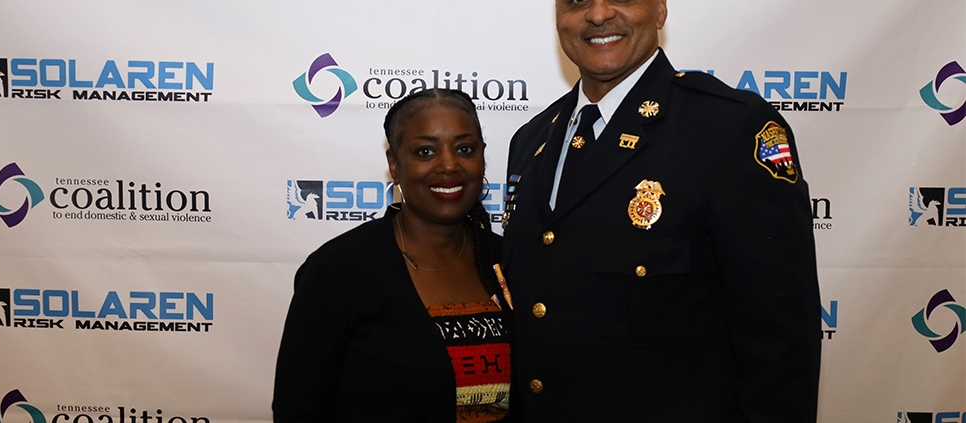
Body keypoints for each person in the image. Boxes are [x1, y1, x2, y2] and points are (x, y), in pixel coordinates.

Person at [500, 1, 821, 421]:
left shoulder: (727, 129)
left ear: (660, 10)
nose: (597, 14)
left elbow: (780, 344)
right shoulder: (531, 140)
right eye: (577, 0)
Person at [274, 89, 512, 423]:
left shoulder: (508, 260)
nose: (449, 164)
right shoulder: (339, 270)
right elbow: (299, 410)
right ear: (395, 165)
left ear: (482, 158)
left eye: (465, 149)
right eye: (425, 151)